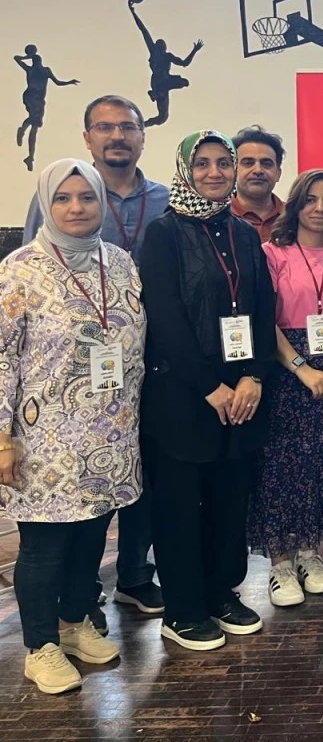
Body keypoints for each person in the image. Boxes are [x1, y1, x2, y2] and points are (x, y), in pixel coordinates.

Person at [22, 94, 170, 621]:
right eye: (104, 127)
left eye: (127, 126)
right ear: (88, 137)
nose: (117, 136)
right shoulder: (59, 200)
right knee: (73, 501)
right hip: (65, 388)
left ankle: (131, 578)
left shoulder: (164, 199)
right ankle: (73, 605)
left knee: (136, 476)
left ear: (142, 136)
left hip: (144, 369)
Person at [1, 160, 145, 694]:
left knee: (91, 536)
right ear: (46, 203)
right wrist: (1, 439)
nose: (76, 208)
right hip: (44, 438)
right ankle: (40, 647)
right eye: (63, 198)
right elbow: (1, 359)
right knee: (44, 546)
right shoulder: (19, 270)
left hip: (111, 432)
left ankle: (73, 621)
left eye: (87, 197)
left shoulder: (120, 262)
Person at [138, 130, 277, 651]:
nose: (215, 173)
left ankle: (222, 592)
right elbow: (165, 319)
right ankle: (183, 609)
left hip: (241, 394)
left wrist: (254, 376)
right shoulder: (163, 234)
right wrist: (210, 386)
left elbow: (263, 309)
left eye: (224, 163)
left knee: (229, 500)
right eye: (203, 164)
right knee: (180, 507)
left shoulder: (243, 233)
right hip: (183, 396)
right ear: (185, 170)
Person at [248, 169, 323, 606]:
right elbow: (265, 322)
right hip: (286, 368)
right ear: (297, 204)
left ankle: (310, 553)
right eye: (312, 200)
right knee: (281, 465)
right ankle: (280, 564)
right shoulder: (270, 253)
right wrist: (302, 369)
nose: (320, 208)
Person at [128, 0, 202, 127]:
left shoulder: (165, 55)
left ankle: (146, 119)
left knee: (163, 117)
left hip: (164, 81)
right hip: (160, 82)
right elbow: (143, 30)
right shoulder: (156, 52)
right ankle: (156, 94)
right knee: (164, 111)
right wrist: (133, 12)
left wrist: (194, 50)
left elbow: (184, 63)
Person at [14, 44, 79, 171]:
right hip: (32, 97)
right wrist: (30, 55)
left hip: (38, 99)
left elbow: (58, 83)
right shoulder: (34, 70)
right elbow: (16, 58)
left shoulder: (37, 70)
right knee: (34, 121)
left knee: (34, 126)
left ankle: (30, 156)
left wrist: (69, 82)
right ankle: (22, 133)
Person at [231, 125, 285, 242]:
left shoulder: (295, 218)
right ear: (233, 171)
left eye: (266, 164)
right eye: (248, 163)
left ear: (278, 173)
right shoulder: (217, 219)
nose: (258, 170)